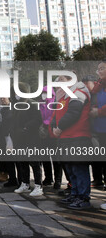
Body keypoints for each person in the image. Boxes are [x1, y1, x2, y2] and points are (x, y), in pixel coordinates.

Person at [51, 75, 92, 210]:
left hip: (78, 136)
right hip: (65, 137)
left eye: (62, 79)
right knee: (70, 168)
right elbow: (56, 113)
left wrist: (59, 126)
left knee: (78, 168)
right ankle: (74, 194)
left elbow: (74, 112)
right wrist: (53, 126)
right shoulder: (62, 96)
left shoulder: (78, 91)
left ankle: (83, 197)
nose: (58, 82)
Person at [12, 82, 43, 196]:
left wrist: (26, 128)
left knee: (34, 163)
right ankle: (25, 183)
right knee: (22, 162)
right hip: (19, 139)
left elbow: (38, 119)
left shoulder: (33, 104)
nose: (16, 94)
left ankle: (38, 186)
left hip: (31, 139)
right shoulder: (16, 105)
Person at [89, 60, 106, 210]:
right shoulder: (99, 86)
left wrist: (99, 112)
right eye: (98, 69)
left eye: (102, 68)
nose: (99, 71)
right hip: (100, 130)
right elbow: (92, 100)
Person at [40, 86, 62, 189]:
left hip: (53, 133)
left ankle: (58, 180)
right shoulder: (41, 103)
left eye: (46, 92)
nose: (44, 94)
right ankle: (48, 178)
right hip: (44, 133)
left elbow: (55, 116)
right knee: (45, 157)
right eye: (43, 92)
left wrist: (46, 122)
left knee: (55, 158)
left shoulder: (54, 103)